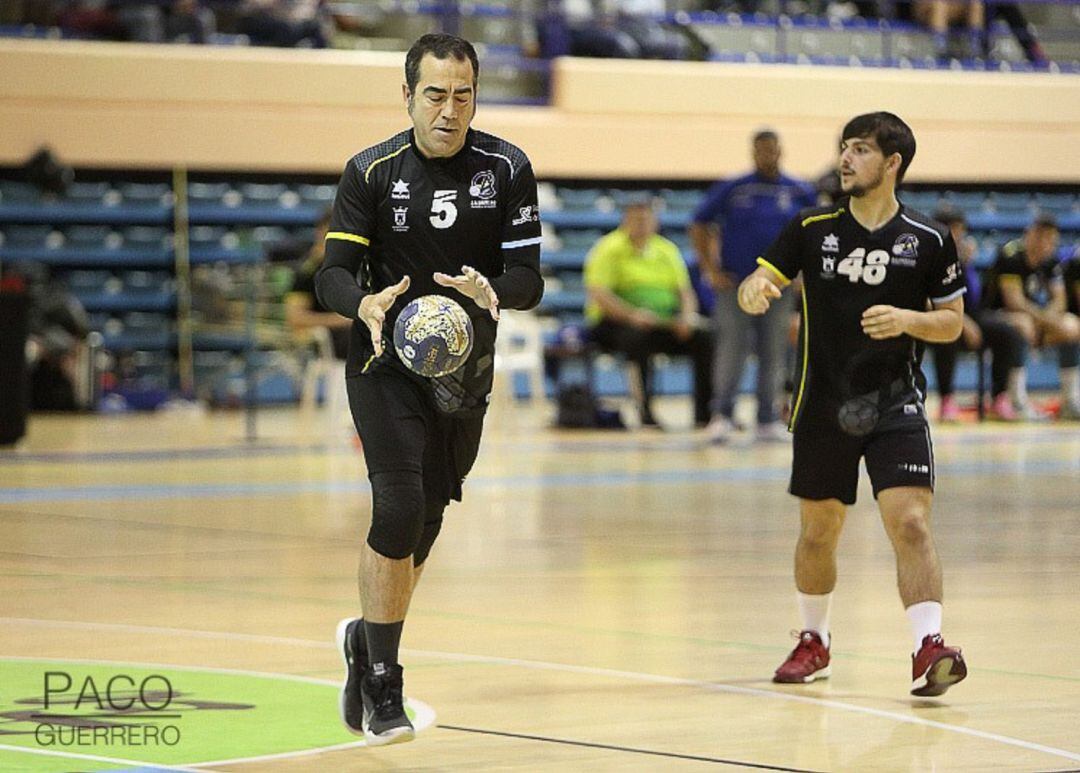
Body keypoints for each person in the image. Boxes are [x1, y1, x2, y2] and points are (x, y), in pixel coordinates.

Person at [315, 33, 543, 745]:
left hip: (462, 377)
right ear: (408, 93)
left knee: (430, 517)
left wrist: (492, 288)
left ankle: (365, 636)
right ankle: (385, 681)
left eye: (464, 95)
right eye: (435, 94)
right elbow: (330, 275)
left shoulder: (507, 167)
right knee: (400, 499)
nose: (450, 109)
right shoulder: (371, 170)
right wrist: (364, 303)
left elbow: (529, 280)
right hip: (383, 365)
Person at [737, 112, 969, 696]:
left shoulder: (931, 240)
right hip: (822, 403)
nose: (845, 159)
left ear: (892, 164)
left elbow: (952, 323)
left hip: (896, 404)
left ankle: (928, 646)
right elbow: (755, 282)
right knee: (819, 531)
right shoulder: (811, 227)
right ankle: (814, 642)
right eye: (843, 148)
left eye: (860, 150)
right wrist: (756, 290)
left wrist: (909, 319)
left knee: (911, 522)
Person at [690, 129, 817, 443]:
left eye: (771, 149)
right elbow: (699, 223)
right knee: (731, 350)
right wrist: (710, 269)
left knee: (774, 353)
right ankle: (722, 415)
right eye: (760, 150)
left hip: (778, 287)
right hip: (735, 283)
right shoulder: (734, 188)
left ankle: (767, 418)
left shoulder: (799, 190)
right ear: (753, 152)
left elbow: (813, 232)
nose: (766, 155)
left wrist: (804, 273)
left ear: (780, 151)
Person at [584, 195, 713, 428]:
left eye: (646, 219)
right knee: (638, 340)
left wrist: (686, 317)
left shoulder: (666, 250)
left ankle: (705, 415)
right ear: (625, 220)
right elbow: (599, 294)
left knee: (705, 337)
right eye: (636, 219)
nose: (642, 224)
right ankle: (645, 412)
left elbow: (685, 292)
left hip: (662, 323)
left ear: (655, 222)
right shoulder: (608, 248)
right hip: (615, 324)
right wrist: (633, 315)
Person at [927, 205, 1030, 421]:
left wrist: (966, 263)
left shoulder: (962, 257)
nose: (960, 235)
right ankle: (947, 400)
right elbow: (928, 302)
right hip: (939, 319)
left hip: (972, 315)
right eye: (954, 230)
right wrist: (963, 322)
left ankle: (999, 396)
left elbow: (974, 299)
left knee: (1008, 333)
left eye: (961, 230)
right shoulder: (928, 257)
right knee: (948, 334)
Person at [979, 213, 1080, 420]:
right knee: (1023, 324)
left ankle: (1070, 400)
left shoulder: (1051, 262)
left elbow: (1060, 301)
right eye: (1041, 237)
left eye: (1051, 239)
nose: (1046, 244)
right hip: (995, 316)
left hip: (1034, 318)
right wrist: (1044, 319)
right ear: (1030, 235)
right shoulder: (1011, 256)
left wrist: (1048, 319)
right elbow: (1014, 302)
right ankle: (1017, 400)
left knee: (1071, 326)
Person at [285, 209, 350, 361]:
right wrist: (338, 321)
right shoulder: (307, 271)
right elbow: (295, 317)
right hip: (329, 338)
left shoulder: (357, 266)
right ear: (320, 233)